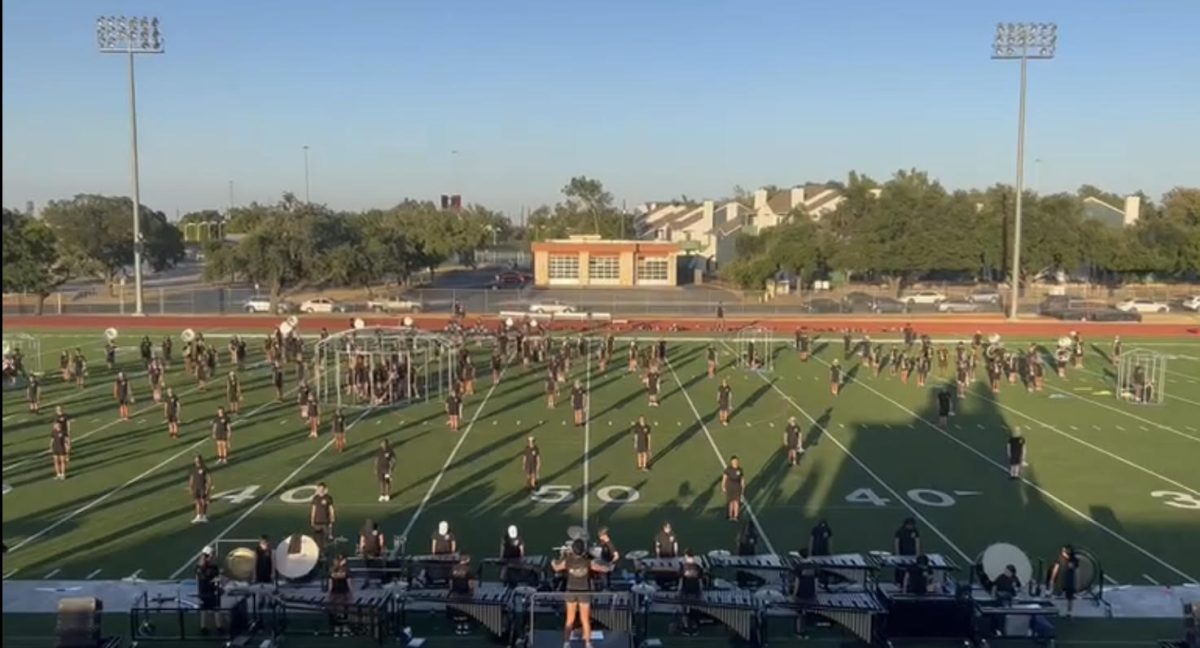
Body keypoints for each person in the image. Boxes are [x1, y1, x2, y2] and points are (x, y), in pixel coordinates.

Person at [552, 538, 611, 648]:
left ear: (573, 550)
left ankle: (566, 643)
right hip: (584, 592)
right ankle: (588, 644)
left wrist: (555, 560)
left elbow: (556, 567)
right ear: (583, 550)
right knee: (585, 620)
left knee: (570, 619)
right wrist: (608, 566)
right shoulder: (587, 562)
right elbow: (603, 569)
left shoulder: (568, 561)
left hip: (570, 592)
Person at [196, 546, 224, 635]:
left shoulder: (199, 567)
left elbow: (200, 577)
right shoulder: (212, 568)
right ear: (208, 555)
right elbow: (210, 578)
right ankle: (218, 627)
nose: (214, 555)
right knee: (216, 609)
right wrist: (217, 578)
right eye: (212, 554)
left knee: (204, 610)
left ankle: (204, 628)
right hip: (211, 591)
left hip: (203, 591)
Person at [1048, 545, 1079, 617]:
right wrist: (1052, 579)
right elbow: (1056, 567)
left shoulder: (1074, 559)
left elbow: (1071, 566)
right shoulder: (1060, 558)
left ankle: (1069, 611)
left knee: (1070, 596)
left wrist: (1067, 558)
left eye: (1064, 550)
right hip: (1061, 579)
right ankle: (1053, 609)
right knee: (1056, 593)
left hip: (1069, 580)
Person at [893, 517, 920, 584]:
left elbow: (917, 543)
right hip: (902, 554)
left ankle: (910, 582)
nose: (912, 526)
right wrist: (897, 554)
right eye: (911, 525)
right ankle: (898, 582)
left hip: (912, 555)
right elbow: (896, 543)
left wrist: (917, 555)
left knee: (911, 569)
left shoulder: (915, 531)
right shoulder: (900, 531)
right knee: (900, 569)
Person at [310, 483, 336, 548]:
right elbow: (313, 510)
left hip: (325, 521)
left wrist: (332, 518)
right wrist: (312, 520)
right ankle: (317, 550)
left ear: (324, 489)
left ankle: (324, 551)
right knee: (317, 537)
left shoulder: (328, 498)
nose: (320, 490)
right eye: (319, 489)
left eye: (322, 489)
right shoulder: (315, 498)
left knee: (325, 538)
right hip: (317, 521)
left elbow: (331, 509)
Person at [189, 455, 212, 523]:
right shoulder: (193, 469)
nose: (197, 461)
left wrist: (208, 487)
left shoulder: (204, 468)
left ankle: (204, 516)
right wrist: (190, 487)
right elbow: (191, 478)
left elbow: (209, 478)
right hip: (196, 487)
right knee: (197, 501)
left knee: (203, 501)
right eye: (196, 460)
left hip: (202, 487)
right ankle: (198, 516)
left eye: (198, 460)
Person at [722, 456, 745, 522]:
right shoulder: (728, 469)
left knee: (736, 502)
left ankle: (736, 516)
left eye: (736, 461)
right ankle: (730, 515)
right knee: (731, 502)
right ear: (731, 462)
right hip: (730, 488)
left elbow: (742, 480)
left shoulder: (740, 470)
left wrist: (743, 488)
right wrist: (723, 486)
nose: (735, 463)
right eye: (734, 461)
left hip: (737, 488)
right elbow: (724, 478)